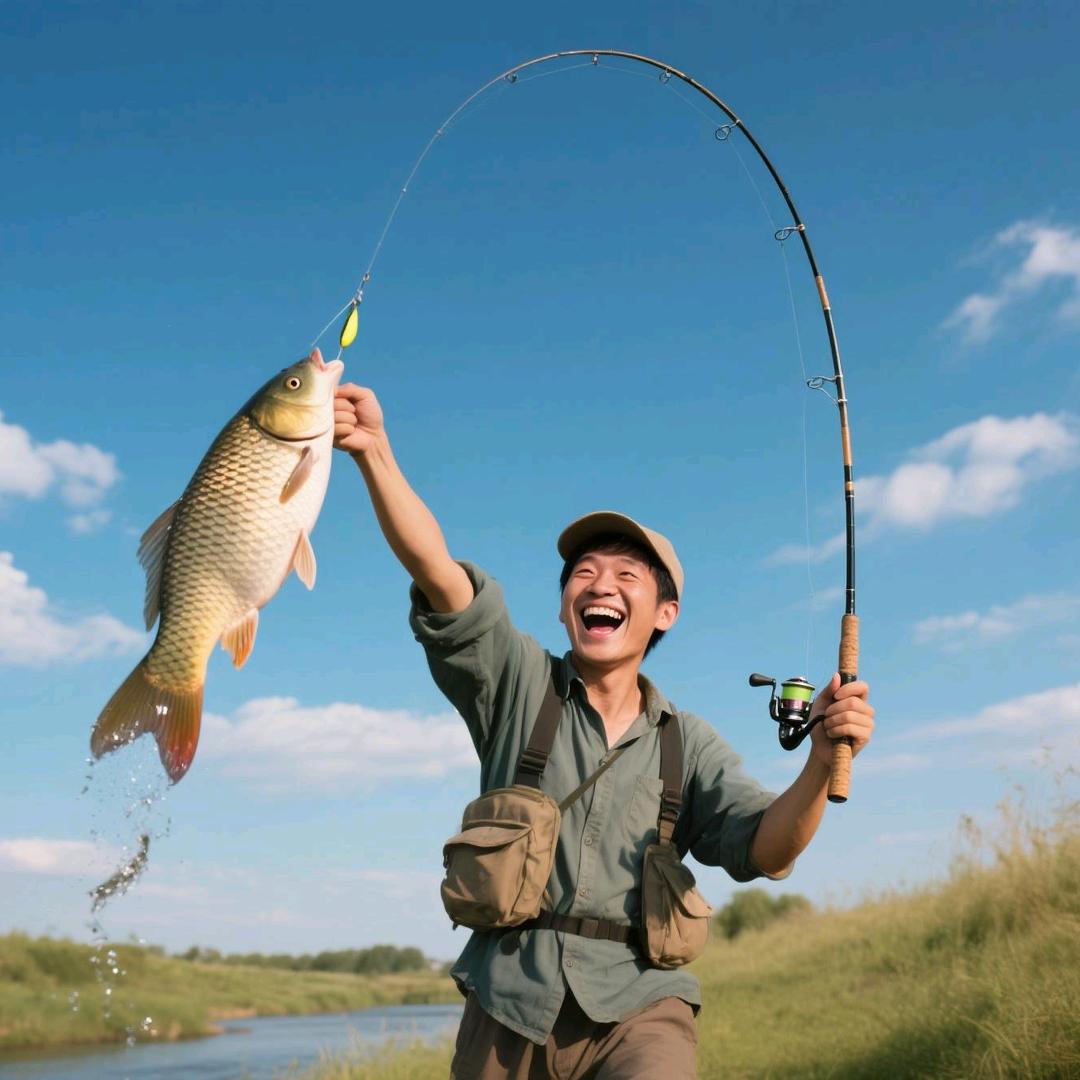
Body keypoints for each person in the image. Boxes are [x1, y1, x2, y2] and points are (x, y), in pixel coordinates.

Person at [334, 381, 875, 1080]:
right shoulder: (517, 682)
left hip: (641, 1008)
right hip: (508, 1002)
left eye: (626, 574)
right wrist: (374, 451)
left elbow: (767, 849)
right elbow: (439, 575)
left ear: (665, 614)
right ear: (564, 608)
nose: (599, 585)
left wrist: (822, 761)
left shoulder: (689, 744)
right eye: (583, 573)